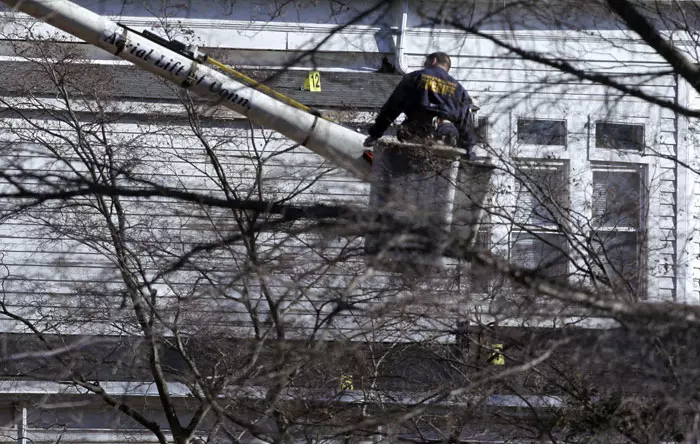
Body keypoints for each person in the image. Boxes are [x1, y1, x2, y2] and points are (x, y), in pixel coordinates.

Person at [363, 52, 476, 158]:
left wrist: (375, 134)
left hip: (415, 134)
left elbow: (392, 108)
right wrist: (470, 151)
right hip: (446, 137)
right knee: (437, 174)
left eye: (425, 63)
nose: (424, 66)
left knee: (410, 171)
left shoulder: (413, 78)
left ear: (433, 61)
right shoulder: (459, 90)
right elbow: (465, 124)